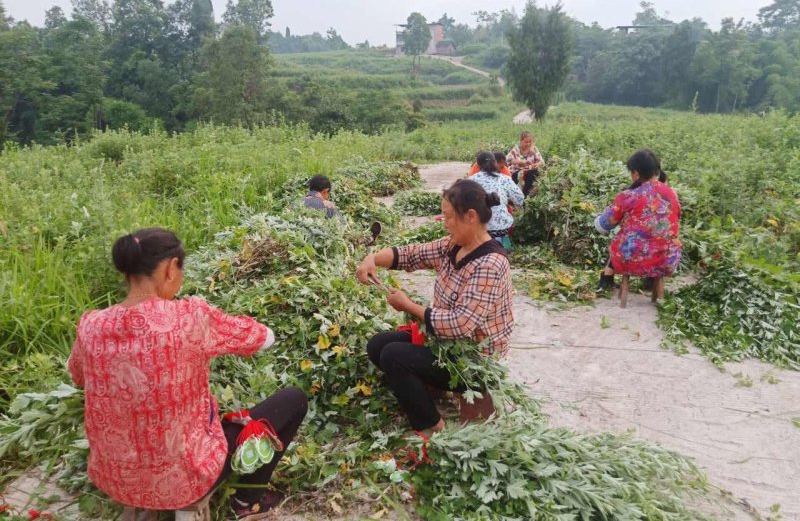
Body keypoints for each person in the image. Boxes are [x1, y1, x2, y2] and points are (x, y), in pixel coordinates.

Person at [67, 228, 308, 519]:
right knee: (294, 399)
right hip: (184, 478)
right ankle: (247, 501)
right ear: (171, 268)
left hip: (113, 478)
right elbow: (263, 337)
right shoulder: (190, 317)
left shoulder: (91, 325)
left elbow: (78, 376)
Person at [356, 180, 514, 436]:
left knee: (394, 355)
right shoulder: (453, 246)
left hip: (473, 359)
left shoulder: (491, 263)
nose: (445, 222)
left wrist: (409, 306)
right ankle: (433, 389)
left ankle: (434, 426)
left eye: (450, 217)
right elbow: (411, 254)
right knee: (378, 345)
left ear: (470, 216)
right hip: (442, 343)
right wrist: (371, 259)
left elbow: (460, 324)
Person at [594, 150, 682, 291]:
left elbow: (605, 224)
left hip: (632, 261)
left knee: (621, 240)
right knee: (657, 235)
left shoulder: (629, 195)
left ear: (635, 173)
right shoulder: (672, 194)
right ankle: (650, 282)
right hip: (668, 260)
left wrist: (598, 218)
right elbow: (676, 218)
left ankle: (606, 279)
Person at [469, 151, 524, 249]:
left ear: (478, 165)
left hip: (479, 230)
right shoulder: (505, 179)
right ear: (495, 163)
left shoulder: (470, 181)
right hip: (502, 229)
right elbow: (520, 199)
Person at [507, 131, 544, 196]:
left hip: (530, 172)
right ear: (521, 141)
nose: (528, 144)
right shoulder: (516, 149)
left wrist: (537, 164)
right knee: (528, 174)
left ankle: (525, 194)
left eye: (530, 142)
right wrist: (520, 162)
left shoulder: (534, 149)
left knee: (534, 172)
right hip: (516, 172)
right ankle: (523, 195)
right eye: (526, 142)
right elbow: (508, 159)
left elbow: (541, 161)